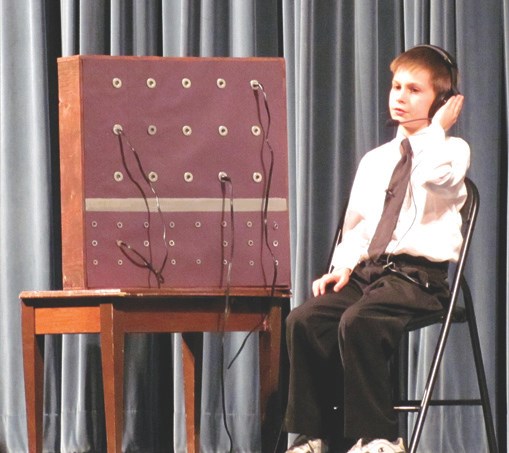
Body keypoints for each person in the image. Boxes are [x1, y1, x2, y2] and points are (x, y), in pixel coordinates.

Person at [284, 45, 469, 453]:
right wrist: (344, 266)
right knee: (305, 320)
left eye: (415, 90)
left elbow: (436, 178)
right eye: (396, 86)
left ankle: (381, 437)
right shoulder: (375, 159)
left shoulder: (451, 151)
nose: (400, 97)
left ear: (440, 101)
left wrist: (436, 130)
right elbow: (359, 227)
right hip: (371, 274)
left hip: (419, 279)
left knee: (359, 321)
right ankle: (316, 436)